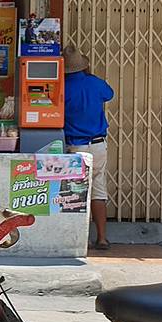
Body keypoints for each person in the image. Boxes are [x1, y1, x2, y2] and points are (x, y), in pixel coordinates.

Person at [63, 46, 113, 251]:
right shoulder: (95, 83)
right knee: (98, 190)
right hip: (99, 145)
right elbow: (109, 94)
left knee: (75, 193)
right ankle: (102, 238)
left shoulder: (62, 87)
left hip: (76, 146)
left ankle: (78, 240)